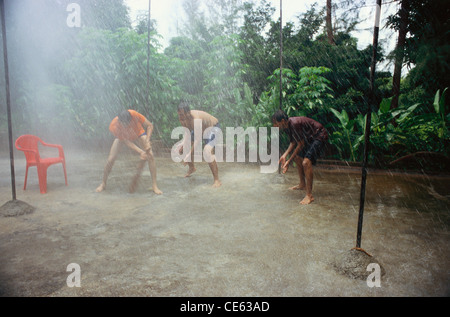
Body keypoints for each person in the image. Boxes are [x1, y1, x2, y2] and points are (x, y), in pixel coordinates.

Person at [96, 109, 162, 195]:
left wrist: (147, 141)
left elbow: (150, 125)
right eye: (122, 125)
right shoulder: (114, 126)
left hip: (138, 133)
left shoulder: (135, 115)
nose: (124, 127)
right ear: (119, 121)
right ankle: (103, 183)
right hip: (123, 139)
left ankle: (154, 185)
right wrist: (141, 151)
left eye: (126, 125)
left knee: (151, 155)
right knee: (110, 160)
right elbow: (125, 141)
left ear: (131, 120)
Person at [272, 109, 328, 205]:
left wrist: (288, 161)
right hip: (310, 138)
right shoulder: (286, 126)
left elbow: (300, 144)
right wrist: (284, 155)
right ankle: (302, 184)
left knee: (306, 162)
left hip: (319, 135)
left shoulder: (294, 124)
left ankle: (309, 195)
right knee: (298, 158)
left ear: (282, 121)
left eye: (275, 123)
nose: (274, 126)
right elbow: (293, 142)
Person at [176, 102, 222, 188]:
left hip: (212, 128)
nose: (180, 117)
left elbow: (198, 139)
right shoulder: (183, 119)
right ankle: (192, 168)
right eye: (179, 115)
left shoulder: (195, 119)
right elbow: (187, 133)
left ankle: (217, 180)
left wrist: (189, 154)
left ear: (188, 113)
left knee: (207, 151)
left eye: (182, 115)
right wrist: (183, 143)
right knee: (184, 145)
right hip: (200, 129)